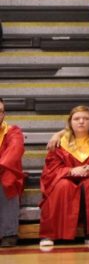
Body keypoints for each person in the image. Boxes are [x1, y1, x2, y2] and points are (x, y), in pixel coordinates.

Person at [38, 106, 89, 248]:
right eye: (77, 119)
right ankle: (50, 234)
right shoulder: (60, 142)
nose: (81, 122)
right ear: (70, 122)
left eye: (86, 118)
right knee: (63, 185)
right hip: (65, 179)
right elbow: (51, 169)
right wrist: (71, 171)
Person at [0, 98, 24, 248]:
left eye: (0, 111)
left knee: (8, 181)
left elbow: (14, 151)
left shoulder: (13, 131)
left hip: (4, 172)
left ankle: (9, 233)